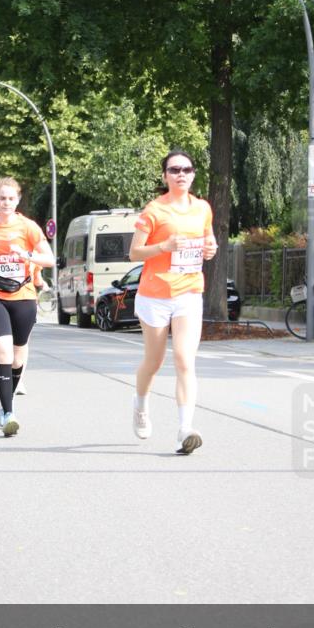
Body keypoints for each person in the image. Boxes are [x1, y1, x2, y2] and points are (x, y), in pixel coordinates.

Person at [129, 150, 217, 455]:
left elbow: (209, 240)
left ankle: (184, 430)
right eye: (175, 169)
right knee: (154, 362)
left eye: (187, 169)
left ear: (193, 174)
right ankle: (141, 405)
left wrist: (210, 249)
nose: (181, 174)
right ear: (165, 175)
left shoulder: (202, 208)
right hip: (155, 295)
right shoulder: (154, 210)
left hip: (188, 292)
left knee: (184, 359)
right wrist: (164, 246)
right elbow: (134, 252)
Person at [0, 176, 54, 436]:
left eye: (11, 198)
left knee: (18, 359)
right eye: (2, 198)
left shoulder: (28, 227)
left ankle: (7, 401)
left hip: (24, 297)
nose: (6, 202)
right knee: (3, 354)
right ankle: (8, 413)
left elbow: (49, 259)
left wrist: (26, 255)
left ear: (17, 201)